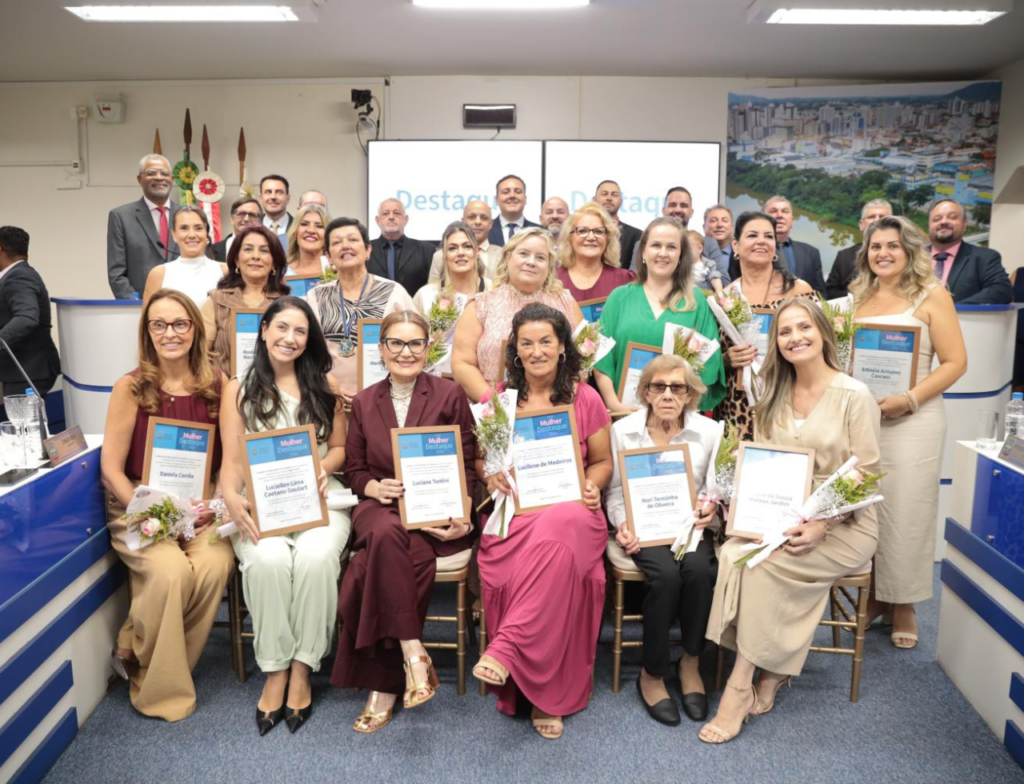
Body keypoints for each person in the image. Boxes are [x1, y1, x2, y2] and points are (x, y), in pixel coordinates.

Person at [702, 297, 881, 744]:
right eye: (784, 331)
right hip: (781, 513)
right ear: (775, 342)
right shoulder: (772, 392)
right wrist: (750, 514)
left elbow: (869, 474)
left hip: (845, 524)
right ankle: (774, 669)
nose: (795, 337)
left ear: (822, 332)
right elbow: (763, 463)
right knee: (731, 553)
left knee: (762, 567)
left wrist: (825, 523)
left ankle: (741, 685)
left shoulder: (853, 395)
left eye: (804, 328)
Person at [331, 310, 476, 733]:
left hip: (431, 513)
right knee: (384, 529)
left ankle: (385, 685)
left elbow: (466, 465)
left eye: (415, 343)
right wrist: (373, 488)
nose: (405, 352)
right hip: (379, 508)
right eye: (396, 343)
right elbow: (354, 469)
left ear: (428, 349)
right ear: (381, 349)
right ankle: (414, 652)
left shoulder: (449, 395)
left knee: (364, 566)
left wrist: (462, 516)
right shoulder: (363, 401)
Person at [473, 303, 612, 740]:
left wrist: (592, 483)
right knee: (540, 555)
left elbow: (604, 461)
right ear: (514, 349)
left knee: (560, 527)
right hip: (516, 513)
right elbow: (482, 461)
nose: (536, 351)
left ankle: (510, 651)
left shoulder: (584, 397)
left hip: (574, 510)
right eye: (526, 343)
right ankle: (533, 686)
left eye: (546, 341)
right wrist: (489, 473)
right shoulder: (497, 401)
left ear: (562, 347)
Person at [100, 289, 234, 721]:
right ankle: (160, 690)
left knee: (214, 566)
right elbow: (111, 469)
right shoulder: (130, 387)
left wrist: (213, 503)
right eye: (159, 324)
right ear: (147, 332)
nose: (170, 333)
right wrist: (153, 509)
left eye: (180, 323)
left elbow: (230, 460)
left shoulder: (220, 385)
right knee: (170, 571)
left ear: (195, 329)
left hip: (200, 505)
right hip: (137, 504)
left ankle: (138, 642)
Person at [220, 296, 350, 736]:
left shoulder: (324, 387)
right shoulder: (237, 387)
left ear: (308, 339)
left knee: (315, 560)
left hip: (318, 499)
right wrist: (230, 497)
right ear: (263, 330)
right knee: (268, 560)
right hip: (261, 502)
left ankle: (302, 666)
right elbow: (232, 461)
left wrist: (323, 468)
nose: (290, 338)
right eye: (281, 328)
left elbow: (339, 450)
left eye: (300, 331)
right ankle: (274, 668)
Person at [852, 215, 966, 649]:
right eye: (876, 246)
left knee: (909, 512)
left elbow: (955, 362)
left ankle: (906, 605)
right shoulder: (857, 297)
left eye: (892, 246)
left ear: (910, 251)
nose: (883, 253)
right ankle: (880, 597)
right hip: (867, 420)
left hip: (914, 420)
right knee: (870, 511)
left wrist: (910, 400)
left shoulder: (933, 295)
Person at [605, 354, 719, 725]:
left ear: (690, 395)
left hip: (690, 526)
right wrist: (623, 524)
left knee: (701, 571)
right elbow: (616, 493)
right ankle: (652, 673)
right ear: (645, 392)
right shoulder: (624, 431)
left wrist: (710, 510)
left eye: (678, 387)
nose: (668, 394)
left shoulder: (709, 432)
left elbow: (715, 490)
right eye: (659, 386)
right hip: (645, 527)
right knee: (667, 577)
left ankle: (690, 661)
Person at [593, 217, 726, 414]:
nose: (663, 253)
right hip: (624, 416)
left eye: (671, 247)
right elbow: (602, 358)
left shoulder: (696, 301)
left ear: (681, 255)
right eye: (656, 245)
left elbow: (709, 363)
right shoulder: (619, 298)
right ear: (643, 252)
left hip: (679, 418)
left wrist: (683, 407)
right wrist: (615, 405)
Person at [715, 211, 816, 441]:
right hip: (737, 409)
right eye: (752, 235)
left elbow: (821, 345)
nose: (762, 241)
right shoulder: (725, 298)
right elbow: (713, 358)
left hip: (789, 402)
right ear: (735, 245)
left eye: (768, 237)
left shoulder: (800, 290)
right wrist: (726, 360)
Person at [451, 227, 583, 402]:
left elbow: (583, 360)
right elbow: (462, 363)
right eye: (523, 254)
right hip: (494, 415)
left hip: (555, 413)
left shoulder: (567, 302)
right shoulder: (481, 305)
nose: (531, 262)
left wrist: (558, 400)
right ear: (508, 257)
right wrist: (497, 405)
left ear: (549, 265)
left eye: (540, 257)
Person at [306, 217, 415, 411]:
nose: (345, 246)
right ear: (328, 256)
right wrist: (328, 389)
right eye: (337, 242)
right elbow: (306, 353)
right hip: (329, 402)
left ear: (368, 250)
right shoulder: (316, 296)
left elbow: (417, 344)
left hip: (384, 403)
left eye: (353, 240)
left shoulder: (393, 292)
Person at [200, 226, 291, 377]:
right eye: (248, 249)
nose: (255, 256)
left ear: (274, 262)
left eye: (264, 250)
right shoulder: (216, 300)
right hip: (223, 393)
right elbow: (200, 355)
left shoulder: (287, 304)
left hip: (276, 392)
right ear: (236, 259)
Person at [0, 226, 61, 397]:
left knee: (28, 424)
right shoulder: (18, 274)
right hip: (23, 370)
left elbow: (26, 317)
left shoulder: (18, 276)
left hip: (28, 370)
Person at [107, 154, 179, 299]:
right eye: (151, 173)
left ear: (172, 179)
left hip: (185, 304)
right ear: (140, 179)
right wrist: (135, 303)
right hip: (140, 307)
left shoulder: (187, 215)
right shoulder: (121, 217)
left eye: (165, 173)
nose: (159, 177)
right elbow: (117, 273)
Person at [927, 198, 1011, 304]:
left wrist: (952, 310)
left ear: (964, 224)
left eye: (952, 217)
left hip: (960, 319)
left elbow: (1001, 291)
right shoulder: (911, 257)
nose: (943, 221)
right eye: (936, 219)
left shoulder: (985, 258)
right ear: (929, 226)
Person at [142, 206, 226, 309]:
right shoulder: (158, 274)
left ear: (206, 233)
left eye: (198, 228)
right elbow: (148, 320)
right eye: (184, 228)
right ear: (174, 235)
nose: (191, 235)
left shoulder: (225, 271)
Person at [555, 202, 635, 302]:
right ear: (570, 236)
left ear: (608, 238)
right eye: (582, 231)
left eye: (598, 231)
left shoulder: (626, 280)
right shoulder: (553, 279)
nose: (591, 237)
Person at [413, 221, 490, 316]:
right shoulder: (426, 295)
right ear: (444, 254)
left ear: (476, 252)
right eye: (452, 248)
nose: (460, 253)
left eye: (467, 246)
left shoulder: (493, 290)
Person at [825, 199, 892, 301]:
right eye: (871, 217)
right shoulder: (844, 256)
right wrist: (856, 295)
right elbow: (829, 293)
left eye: (882, 217)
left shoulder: (902, 255)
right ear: (861, 224)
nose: (877, 220)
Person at [367, 199, 435, 297]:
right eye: (385, 214)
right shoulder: (365, 250)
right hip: (374, 310)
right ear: (378, 220)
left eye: (397, 213)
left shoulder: (426, 250)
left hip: (414, 310)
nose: (391, 217)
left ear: (405, 219)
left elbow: (432, 289)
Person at [762, 195, 826, 294]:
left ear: (792, 220)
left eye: (785, 211)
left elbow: (821, 295)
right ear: (762, 219)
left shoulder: (812, 253)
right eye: (773, 211)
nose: (779, 215)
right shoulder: (751, 251)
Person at [427, 200, 502, 283]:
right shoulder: (440, 256)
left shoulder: (503, 255)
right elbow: (432, 290)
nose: (478, 222)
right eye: (472, 217)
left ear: (491, 224)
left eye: (484, 218)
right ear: (463, 221)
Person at [595, 180, 642, 264]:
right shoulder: (581, 231)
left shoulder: (637, 235)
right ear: (594, 199)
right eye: (604, 194)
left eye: (614, 195)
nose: (609, 198)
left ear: (621, 202)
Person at [488, 174, 541, 247]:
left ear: (525, 199)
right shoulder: (486, 230)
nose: (512, 196)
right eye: (506, 192)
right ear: (496, 200)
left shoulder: (540, 232)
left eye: (518, 192)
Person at [210, 197, 263, 262]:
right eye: (241, 214)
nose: (246, 219)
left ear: (260, 221)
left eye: (252, 215)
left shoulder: (269, 250)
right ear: (232, 219)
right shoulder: (210, 251)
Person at [285, 203, 331, 277]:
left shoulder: (339, 271)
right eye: (304, 224)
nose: (311, 230)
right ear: (295, 230)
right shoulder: (281, 273)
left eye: (319, 226)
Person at [688, 230, 725, 295]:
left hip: (705, 293)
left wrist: (719, 292)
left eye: (687, 249)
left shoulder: (709, 264)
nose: (684, 253)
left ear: (700, 249)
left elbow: (714, 277)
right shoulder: (681, 265)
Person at [703, 204, 735, 276]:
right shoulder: (693, 253)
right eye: (713, 220)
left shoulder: (741, 256)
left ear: (732, 227)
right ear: (704, 227)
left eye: (725, 220)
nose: (720, 225)